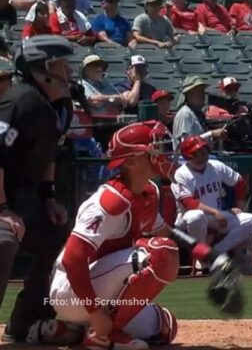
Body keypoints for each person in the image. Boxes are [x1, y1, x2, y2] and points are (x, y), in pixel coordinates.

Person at [46, 120, 181, 349]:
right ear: (130, 160)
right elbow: (73, 259)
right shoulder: (110, 201)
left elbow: (166, 232)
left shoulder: (147, 193)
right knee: (161, 251)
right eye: (155, 150)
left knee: (166, 326)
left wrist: (204, 250)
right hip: (71, 289)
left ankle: (75, 330)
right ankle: (102, 334)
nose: (163, 155)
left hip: (101, 287)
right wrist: (96, 312)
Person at [0, 36, 77, 344]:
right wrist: (3, 210)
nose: (68, 70)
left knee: (61, 237)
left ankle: (26, 320)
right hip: (5, 201)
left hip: (27, 200)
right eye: (61, 63)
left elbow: (50, 157)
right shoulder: (20, 100)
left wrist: (48, 197)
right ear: (44, 69)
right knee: (4, 242)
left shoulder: (58, 107)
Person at [172, 135, 252, 264]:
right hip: (187, 219)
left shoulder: (216, 166)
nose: (204, 152)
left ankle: (216, 252)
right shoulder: (181, 173)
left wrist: (239, 207)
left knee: (250, 220)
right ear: (189, 155)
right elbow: (189, 203)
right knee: (196, 216)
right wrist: (215, 212)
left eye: (204, 149)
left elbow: (239, 182)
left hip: (216, 217)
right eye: (199, 151)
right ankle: (200, 255)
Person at [172, 75, 225, 146]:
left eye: (202, 91)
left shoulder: (198, 114)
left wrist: (215, 137)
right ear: (188, 94)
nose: (202, 94)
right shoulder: (185, 114)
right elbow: (186, 144)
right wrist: (211, 134)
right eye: (198, 91)